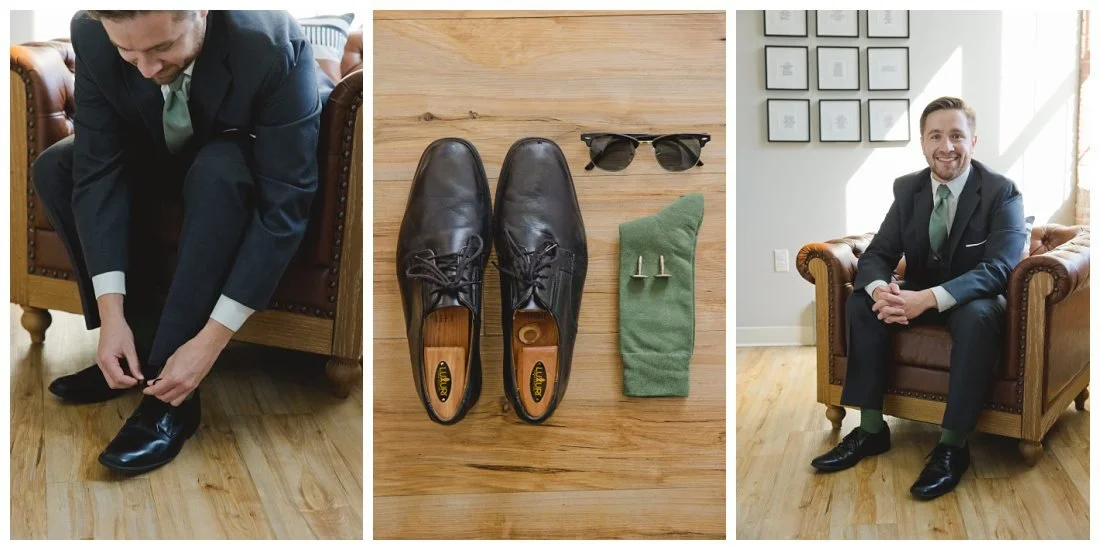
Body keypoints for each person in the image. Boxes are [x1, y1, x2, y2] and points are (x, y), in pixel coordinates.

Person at [32, 10, 331, 474]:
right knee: (57, 166)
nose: (146, 69)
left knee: (219, 172)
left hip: (238, 165)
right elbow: (97, 170)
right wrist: (111, 317)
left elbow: (284, 206)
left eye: (162, 48)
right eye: (127, 52)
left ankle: (171, 401)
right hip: (158, 152)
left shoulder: (271, 45)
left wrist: (209, 344)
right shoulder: (91, 34)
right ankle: (134, 352)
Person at [809, 97, 1028, 500]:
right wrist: (882, 291)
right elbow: (879, 254)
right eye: (936, 136)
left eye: (957, 136)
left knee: (980, 317)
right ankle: (872, 429)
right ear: (923, 143)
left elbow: (998, 268)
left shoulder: (1002, 192)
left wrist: (926, 299)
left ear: (973, 141)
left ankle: (952, 446)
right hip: (919, 292)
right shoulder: (908, 188)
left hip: (973, 299)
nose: (947, 146)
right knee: (861, 301)